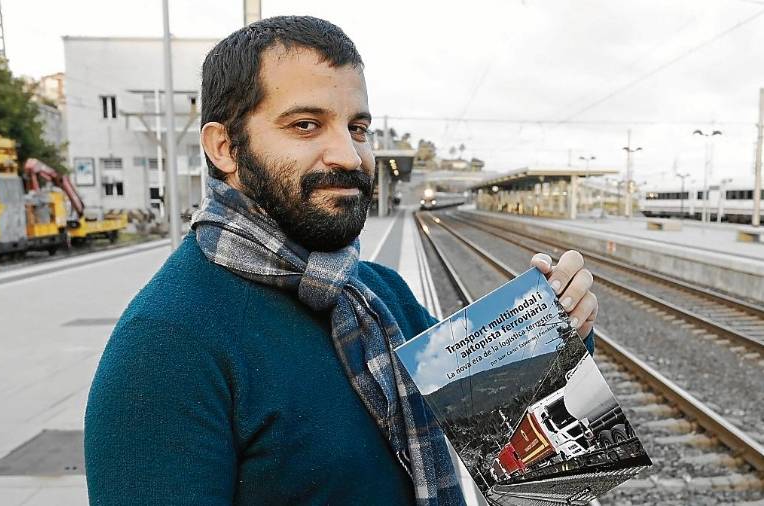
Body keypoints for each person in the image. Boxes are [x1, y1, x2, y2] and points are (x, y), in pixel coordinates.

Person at [84, 15, 598, 505]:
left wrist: (557, 327)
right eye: (307, 125)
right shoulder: (165, 345)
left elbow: (531, 460)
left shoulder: (378, 293)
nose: (349, 157)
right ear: (225, 148)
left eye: (357, 128)